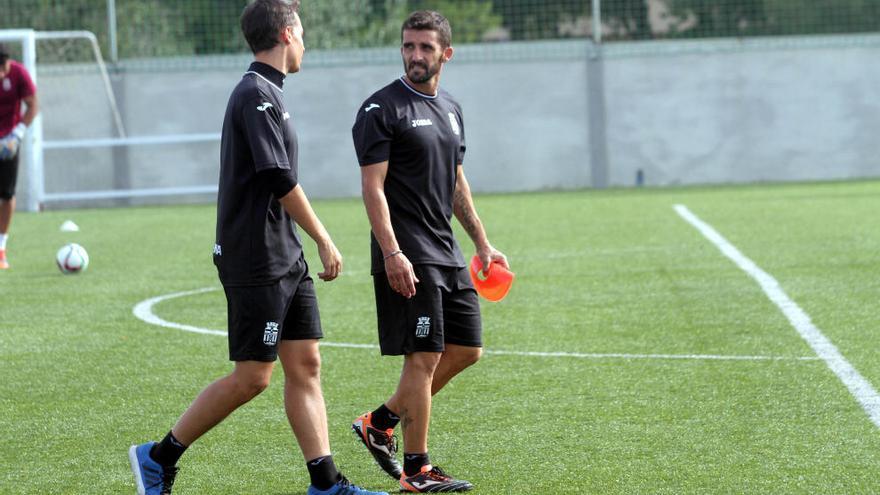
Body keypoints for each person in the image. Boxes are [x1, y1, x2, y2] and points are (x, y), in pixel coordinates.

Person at [128, 2, 387, 494]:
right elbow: (278, 177)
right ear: (287, 34)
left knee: (306, 364)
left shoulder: (271, 93)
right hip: (255, 255)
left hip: (284, 254)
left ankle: (326, 483)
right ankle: (158, 457)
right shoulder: (255, 94)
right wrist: (324, 236)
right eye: (303, 33)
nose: (306, 43)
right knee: (253, 377)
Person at [350, 10, 509, 494]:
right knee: (423, 357)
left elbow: (456, 181)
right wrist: (392, 252)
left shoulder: (452, 109)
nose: (415, 56)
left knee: (466, 350)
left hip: (447, 249)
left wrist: (481, 242)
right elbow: (372, 189)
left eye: (425, 47)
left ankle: (380, 423)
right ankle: (416, 471)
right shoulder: (381, 109)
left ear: (446, 53)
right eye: (408, 46)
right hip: (407, 253)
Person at [0, 44, 38, 270]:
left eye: (3, 67)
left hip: (8, 143)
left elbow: (32, 104)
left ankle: (0, 249)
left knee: (7, 194)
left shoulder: (19, 73)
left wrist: (18, 133)